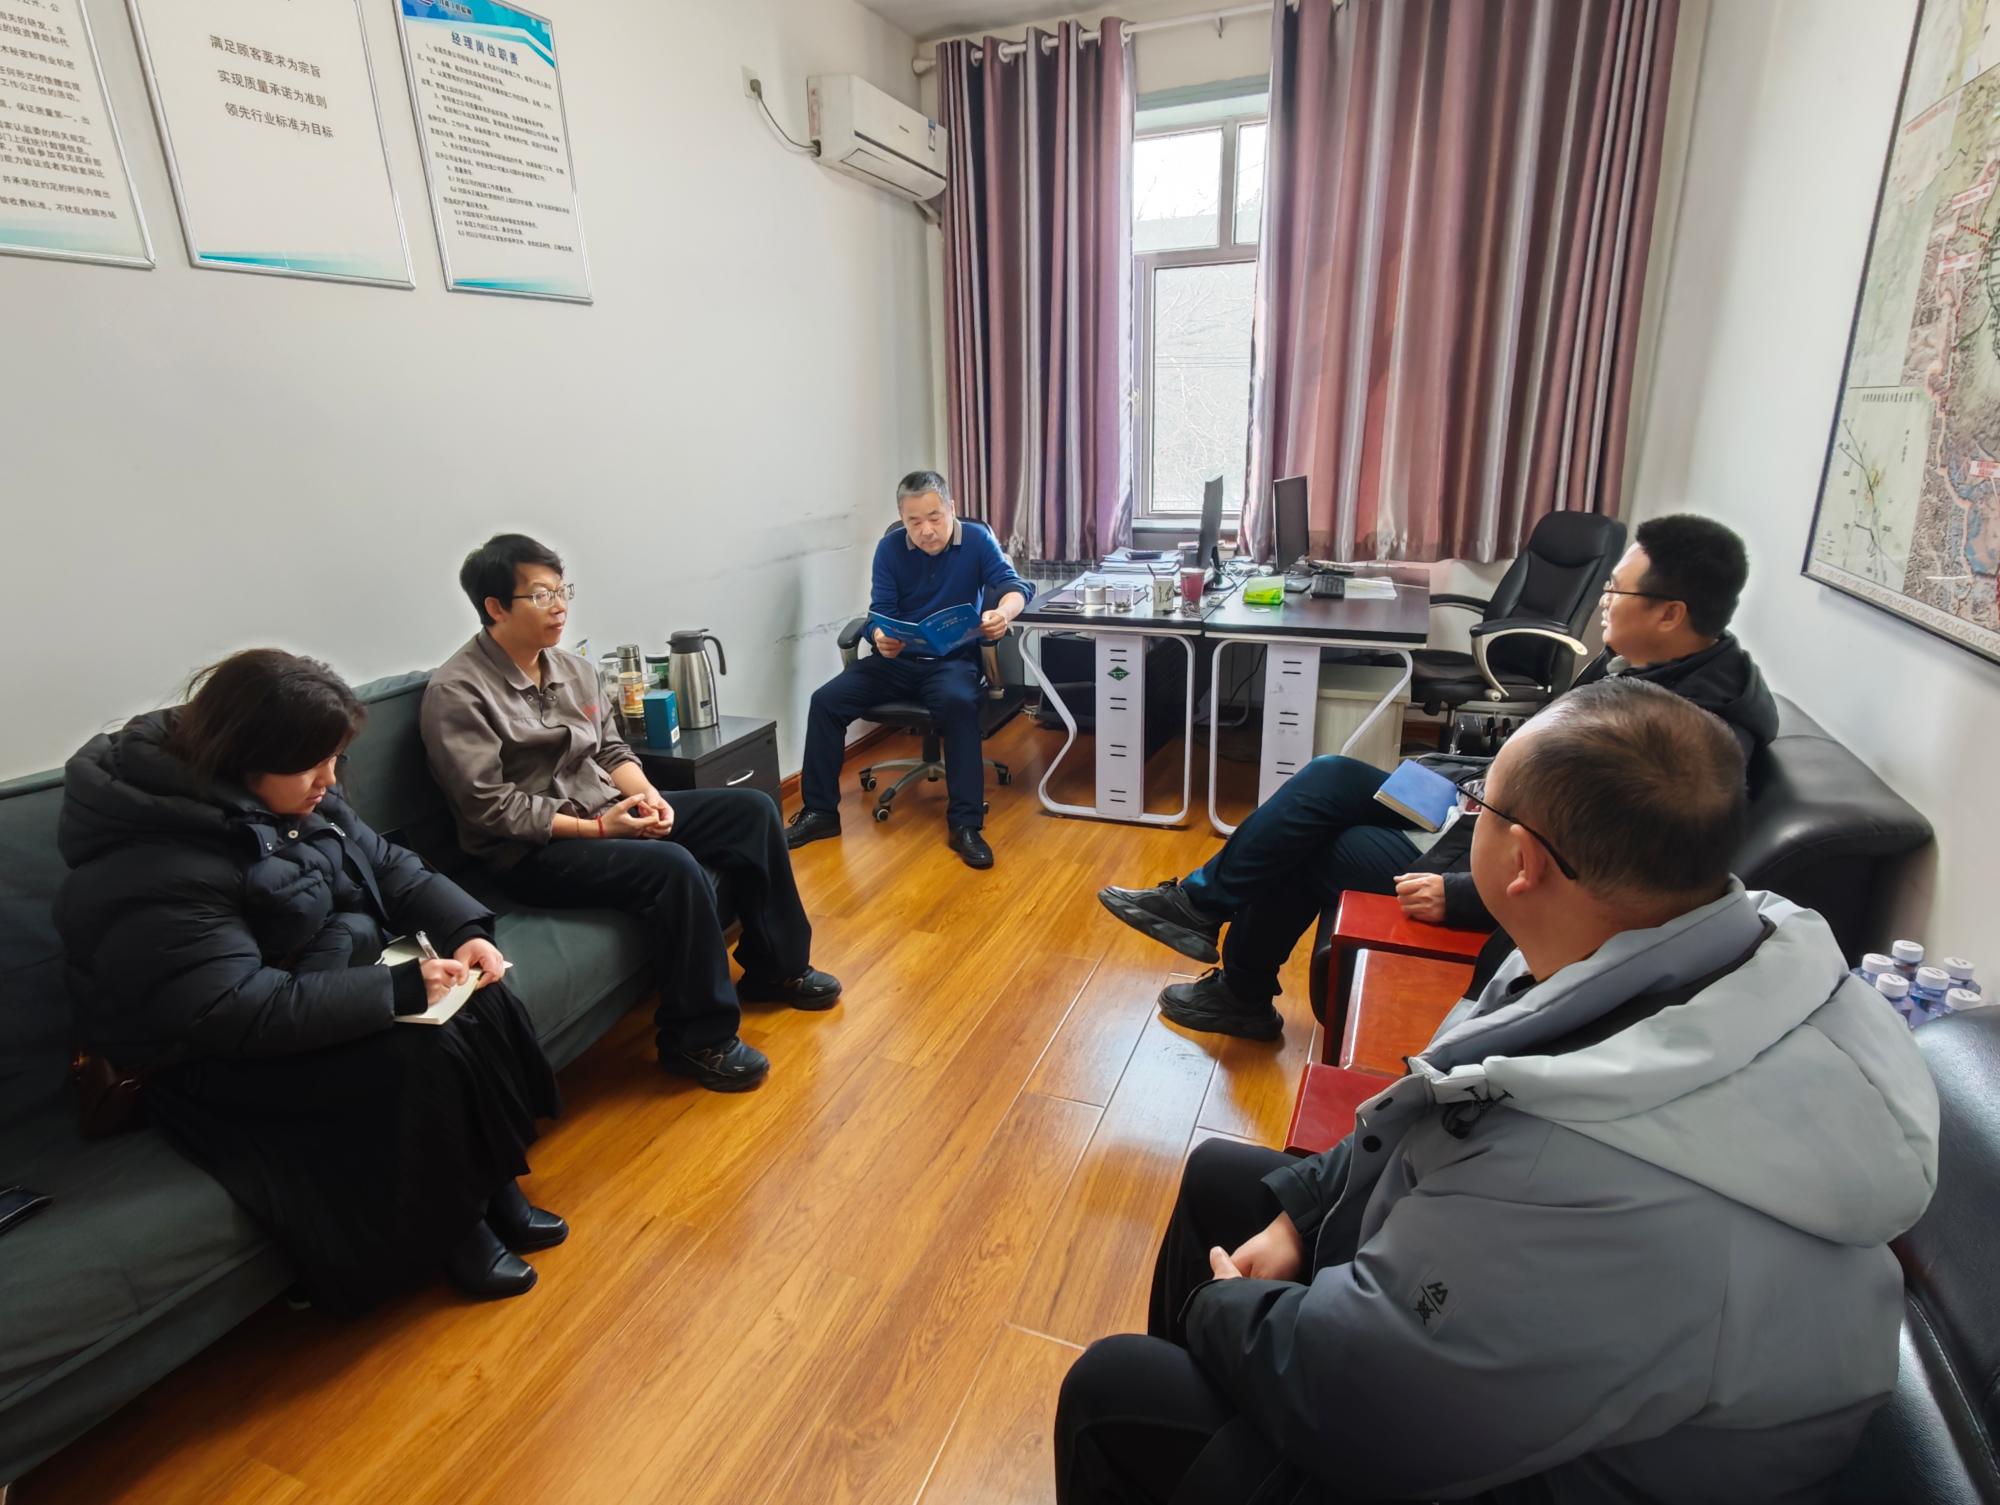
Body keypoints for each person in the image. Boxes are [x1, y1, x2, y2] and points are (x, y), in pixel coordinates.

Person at [1054, 678, 1940, 1505]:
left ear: (1522, 859)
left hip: (1558, 1469)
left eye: (1478, 801)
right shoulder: (1711, 950)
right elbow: (1434, 1109)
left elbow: (1369, 1400)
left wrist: (1223, 1309)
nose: (1467, 809)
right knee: (1222, 1178)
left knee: (1113, 1386)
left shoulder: (1573, 1165)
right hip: (1551, 1363)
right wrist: (1300, 1215)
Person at [1098, 513, 1779, 1040]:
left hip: (1488, 849)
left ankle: (1239, 989)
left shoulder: (1689, 737)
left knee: (1320, 846)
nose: (1604, 600)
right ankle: (1199, 906)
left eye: (1616, 589)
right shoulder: (1648, 666)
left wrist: (1465, 893)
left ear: (1670, 612)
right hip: (1483, 802)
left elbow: (1613, 866)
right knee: (1330, 776)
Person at [55, 651, 564, 1309]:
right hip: (194, 1056)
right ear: (242, 760)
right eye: (311, 765)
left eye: (335, 759)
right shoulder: (155, 860)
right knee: (415, 1050)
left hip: (297, 981)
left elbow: (389, 865)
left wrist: (465, 929)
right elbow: (231, 1008)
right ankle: (453, 1231)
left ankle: (496, 1190)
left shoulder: (293, 790)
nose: (329, 779)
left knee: (478, 999)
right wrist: (400, 989)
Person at [421, 534, 838, 1095]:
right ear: (495, 607)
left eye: (562, 591)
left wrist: (650, 797)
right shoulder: (457, 692)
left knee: (752, 811)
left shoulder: (573, 668)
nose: (559, 606)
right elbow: (489, 807)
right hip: (532, 850)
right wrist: (598, 828)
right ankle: (697, 1040)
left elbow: (613, 751)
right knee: (672, 866)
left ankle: (776, 967)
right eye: (541, 595)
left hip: (604, 811)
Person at [785, 470, 1034, 870]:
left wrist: (1002, 614)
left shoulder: (976, 541)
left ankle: (966, 824)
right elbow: (879, 612)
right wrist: (879, 634)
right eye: (914, 521)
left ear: (951, 508)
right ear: (902, 518)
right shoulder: (889, 549)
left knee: (958, 705)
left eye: (935, 517)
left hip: (952, 662)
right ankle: (820, 813)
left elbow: (1016, 587)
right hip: (898, 662)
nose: (926, 531)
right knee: (826, 701)